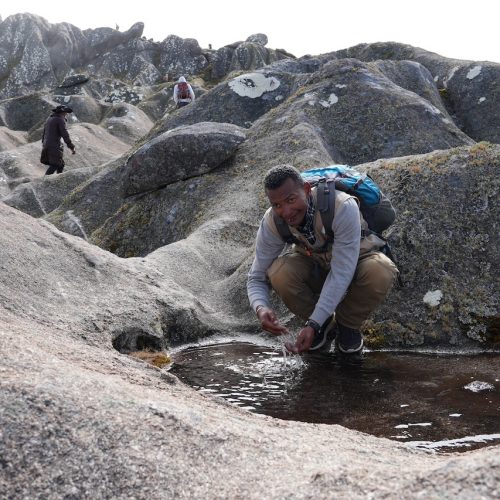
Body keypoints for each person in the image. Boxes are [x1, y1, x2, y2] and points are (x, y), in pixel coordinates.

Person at [247, 164, 399, 354]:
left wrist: (312, 324)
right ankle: (325, 327)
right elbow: (256, 277)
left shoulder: (342, 206)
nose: (286, 212)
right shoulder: (272, 221)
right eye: (276, 205)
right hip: (315, 264)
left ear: (306, 190)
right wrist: (261, 308)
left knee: (380, 270)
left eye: (291, 199)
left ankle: (347, 327)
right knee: (279, 273)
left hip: (356, 262)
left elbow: (341, 272)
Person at [41, 105, 76, 175]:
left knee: (61, 164)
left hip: (47, 145)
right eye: (66, 112)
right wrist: (71, 146)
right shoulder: (60, 120)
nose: (66, 114)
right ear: (62, 112)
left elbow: (44, 133)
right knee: (55, 164)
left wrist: (44, 144)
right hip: (54, 146)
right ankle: (45, 180)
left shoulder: (49, 119)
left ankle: (59, 178)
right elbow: (65, 135)